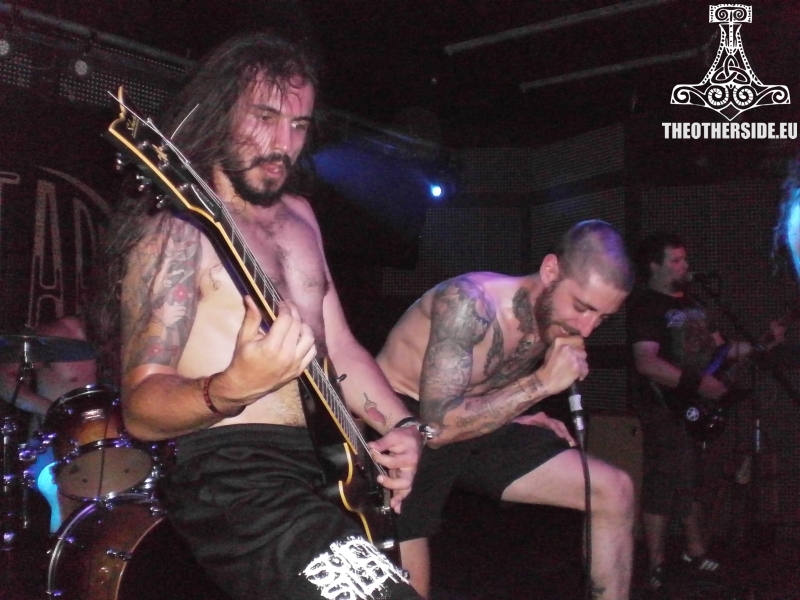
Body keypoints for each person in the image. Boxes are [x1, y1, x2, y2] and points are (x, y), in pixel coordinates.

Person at [99, 31, 423, 600]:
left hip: (332, 463)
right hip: (236, 473)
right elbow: (142, 412)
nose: (283, 144)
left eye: (298, 125)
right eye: (265, 117)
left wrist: (402, 427)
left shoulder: (301, 217)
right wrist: (232, 387)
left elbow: (339, 348)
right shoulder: (177, 228)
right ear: (220, 112)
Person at [377, 220, 636, 600]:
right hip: (408, 425)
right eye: (582, 308)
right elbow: (438, 426)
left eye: (602, 317)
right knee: (411, 581)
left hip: (469, 424)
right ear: (551, 270)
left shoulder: (552, 320)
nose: (588, 328)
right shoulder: (471, 302)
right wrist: (541, 384)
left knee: (614, 489)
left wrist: (518, 411)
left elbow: (482, 387)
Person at [629, 232, 785, 591]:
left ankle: (694, 551)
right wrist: (697, 383)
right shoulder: (647, 306)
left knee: (693, 479)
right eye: (676, 260)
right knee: (662, 481)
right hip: (665, 407)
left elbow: (722, 351)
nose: (685, 266)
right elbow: (646, 362)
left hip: (699, 406)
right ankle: (656, 563)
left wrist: (762, 343)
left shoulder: (695, 303)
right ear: (654, 266)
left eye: (685, 259)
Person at [0, 314, 96, 533]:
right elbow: (3, 380)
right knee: (68, 511)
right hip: (53, 444)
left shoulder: (117, 338)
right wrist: (50, 409)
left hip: (98, 440)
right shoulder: (52, 335)